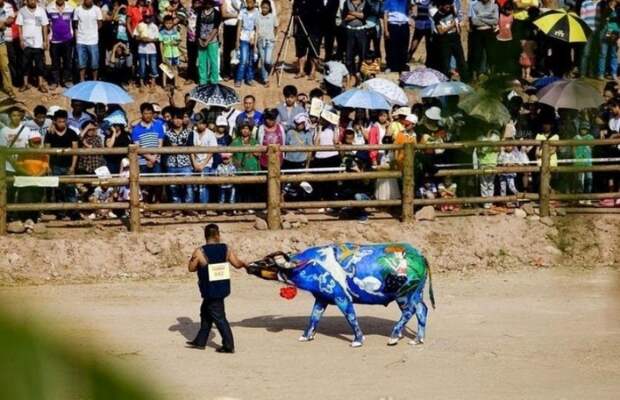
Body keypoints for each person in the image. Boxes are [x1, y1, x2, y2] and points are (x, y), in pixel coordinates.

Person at [186, 223, 248, 352]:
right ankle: (200, 341)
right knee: (205, 313)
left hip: (210, 289)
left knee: (219, 317)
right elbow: (237, 264)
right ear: (217, 235)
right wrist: (245, 264)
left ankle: (229, 345)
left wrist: (195, 261)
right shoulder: (226, 248)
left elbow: (191, 268)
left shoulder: (199, 251)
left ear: (206, 236)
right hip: (222, 287)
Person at [44, 110, 80, 218]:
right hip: (55, 165)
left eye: (64, 121)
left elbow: (75, 151)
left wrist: (73, 166)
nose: (62, 123)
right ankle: (60, 212)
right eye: (59, 121)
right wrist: (48, 165)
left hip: (68, 165)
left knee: (70, 188)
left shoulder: (72, 133)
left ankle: (73, 212)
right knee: (57, 190)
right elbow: (47, 151)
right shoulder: (50, 133)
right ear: (55, 121)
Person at [131, 103, 165, 203]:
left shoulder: (158, 125)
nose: (148, 115)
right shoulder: (136, 129)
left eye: (150, 113)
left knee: (158, 183)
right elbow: (137, 146)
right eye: (146, 113)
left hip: (157, 159)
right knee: (145, 185)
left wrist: (155, 157)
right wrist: (149, 158)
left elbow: (160, 143)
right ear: (142, 114)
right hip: (142, 161)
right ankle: (146, 206)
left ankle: (158, 205)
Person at [16, 0, 49, 93]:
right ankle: (25, 84)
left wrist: (45, 40)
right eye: (30, 0)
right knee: (25, 64)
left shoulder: (41, 11)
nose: (32, 2)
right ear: (27, 1)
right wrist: (21, 39)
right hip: (26, 43)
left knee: (40, 65)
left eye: (34, 0)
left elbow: (44, 26)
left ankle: (40, 84)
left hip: (38, 43)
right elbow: (19, 26)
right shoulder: (22, 11)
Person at [164, 108, 194, 204]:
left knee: (188, 188)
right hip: (171, 164)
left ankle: (189, 208)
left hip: (186, 164)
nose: (178, 121)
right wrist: (181, 146)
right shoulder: (167, 134)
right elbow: (166, 147)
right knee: (173, 188)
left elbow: (189, 146)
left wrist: (175, 146)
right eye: (175, 118)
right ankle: (177, 207)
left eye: (180, 118)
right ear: (172, 119)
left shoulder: (189, 132)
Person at [342, 0, 370, 86]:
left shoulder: (366, 3)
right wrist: (358, 14)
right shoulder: (346, 3)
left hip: (361, 31)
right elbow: (345, 17)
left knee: (363, 54)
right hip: (349, 31)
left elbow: (364, 16)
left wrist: (352, 13)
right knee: (349, 55)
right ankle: (352, 75)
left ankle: (360, 74)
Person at [47, 0, 74, 89]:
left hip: (68, 39)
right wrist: (47, 38)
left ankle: (65, 80)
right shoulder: (49, 8)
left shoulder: (71, 7)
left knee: (67, 61)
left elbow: (74, 23)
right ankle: (55, 81)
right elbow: (46, 24)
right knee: (55, 62)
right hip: (54, 40)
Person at [73, 0, 103, 82]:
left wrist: (93, 30)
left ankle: (94, 81)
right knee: (81, 63)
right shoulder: (77, 10)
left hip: (93, 40)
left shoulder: (97, 9)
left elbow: (100, 23)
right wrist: (77, 38)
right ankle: (82, 80)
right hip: (81, 40)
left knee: (94, 63)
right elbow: (75, 24)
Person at [469, 0, 498, 78]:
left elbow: (495, 21)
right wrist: (488, 18)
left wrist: (481, 18)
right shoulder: (474, 6)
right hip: (478, 32)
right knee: (476, 54)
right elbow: (474, 22)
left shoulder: (494, 6)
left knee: (491, 53)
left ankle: (492, 75)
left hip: (489, 32)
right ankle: (475, 76)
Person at [196, 0, 221, 85]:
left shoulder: (217, 13)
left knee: (213, 61)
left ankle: (214, 80)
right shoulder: (200, 12)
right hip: (201, 40)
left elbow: (216, 28)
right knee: (202, 61)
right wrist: (199, 39)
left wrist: (208, 40)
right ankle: (203, 80)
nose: (208, 4)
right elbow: (198, 26)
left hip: (212, 40)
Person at [235, 0, 259, 87]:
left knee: (250, 60)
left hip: (252, 39)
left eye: (251, 2)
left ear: (254, 2)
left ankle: (249, 79)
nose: (249, 4)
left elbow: (257, 29)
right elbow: (239, 27)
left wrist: (255, 44)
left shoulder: (257, 12)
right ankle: (238, 79)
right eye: (247, 2)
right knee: (243, 60)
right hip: (244, 38)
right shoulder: (242, 11)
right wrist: (237, 41)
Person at [476, 129, 500, 209]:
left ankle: (490, 201)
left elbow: (497, 149)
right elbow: (478, 151)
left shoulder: (496, 137)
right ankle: (485, 202)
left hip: (493, 162)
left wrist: (491, 144)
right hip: (483, 162)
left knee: (491, 183)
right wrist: (482, 148)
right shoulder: (480, 138)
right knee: (484, 184)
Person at [383, 0, 410, 73]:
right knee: (391, 47)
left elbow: (408, 12)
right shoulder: (388, 1)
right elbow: (385, 15)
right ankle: (391, 66)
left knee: (403, 46)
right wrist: (386, 30)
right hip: (393, 25)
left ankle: (402, 65)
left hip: (404, 25)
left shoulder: (406, 1)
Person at [135, 12, 159, 89]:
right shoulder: (140, 25)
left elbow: (157, 38)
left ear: (151, 17)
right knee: (142, 67)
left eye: (149, 17)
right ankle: (141, 83)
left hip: (152, 50)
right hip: (142, 49)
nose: (147, 18)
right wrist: (142, 39)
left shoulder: (154, 26)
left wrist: (149, 40)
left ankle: (153, 83)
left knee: (153, 66)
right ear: (143, 17)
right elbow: (135, 36)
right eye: (146, 17)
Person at [256, 0, 277, 86]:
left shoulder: (272, 17)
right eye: (263, 7)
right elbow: (256, 29)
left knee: (268, 60)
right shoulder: (258, 17)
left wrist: (273, 37)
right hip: (261, 41)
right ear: (261, 8)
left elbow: (276, 27)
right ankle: (265, 79)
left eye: (266, 8)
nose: (265, 9)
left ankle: (271, 66)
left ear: (269, 8)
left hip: (270, 41)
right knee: (263, 60)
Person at [573, 120, 595, 200]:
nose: (584, 130)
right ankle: (580, 198)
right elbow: (574, 149)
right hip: (578, 162)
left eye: (585, 129)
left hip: (588, 162)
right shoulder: (575, 137)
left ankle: (587, 197)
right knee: (579, 180)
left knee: (589, 179)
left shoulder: (590, 137)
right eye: (582, 129)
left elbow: (592, 146)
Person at [159, 14, 181, 88]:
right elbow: (161, 44)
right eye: (167, 23)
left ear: (173, 23)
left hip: (175, 53)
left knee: (175, 68)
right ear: (164, 23)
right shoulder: (161, 33)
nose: (168, 25)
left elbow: (178, 41)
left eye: (170, 23)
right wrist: (162, 55)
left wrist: (176, 42)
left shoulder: (176, 32)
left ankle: (176, 83)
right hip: (166, 54)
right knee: (165, 69)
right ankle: (164, 84)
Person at [0, 0, 15, 97]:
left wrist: (3, 24)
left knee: (5, 67)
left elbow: (2, 25)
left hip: (1, 43)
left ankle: (9, 89)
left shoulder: (3, 9)